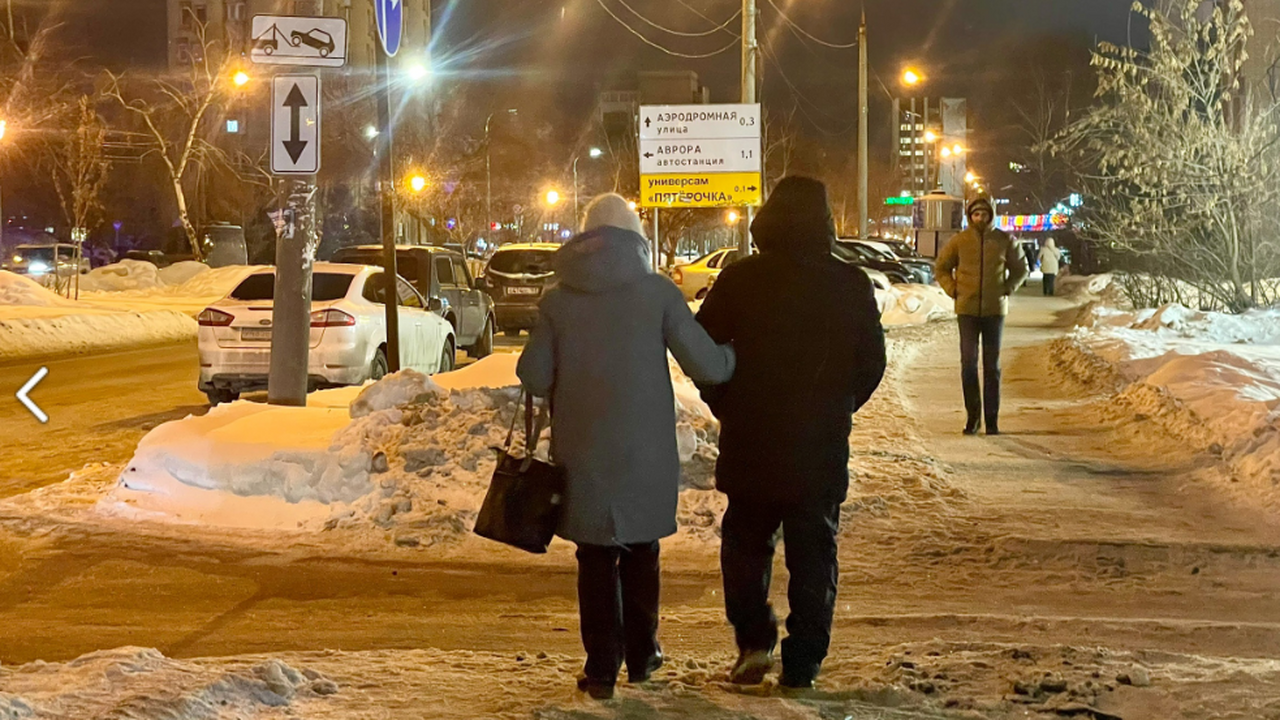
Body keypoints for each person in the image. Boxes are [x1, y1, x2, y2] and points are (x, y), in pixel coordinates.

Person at [516, 193, 735, 700]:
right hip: (646, 452)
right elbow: (708, 366)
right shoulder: (657, 293)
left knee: (594, 558)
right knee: (641, 549)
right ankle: (642, 655)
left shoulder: (557, 300)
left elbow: (532, 375)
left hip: (583, 452)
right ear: (636, 238)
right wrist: (737, 353)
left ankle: (600, 669)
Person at [695, 177, 887, 690]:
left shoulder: (740, 279)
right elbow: (871, 363)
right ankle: (803, 660)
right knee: (814, 550)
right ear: (825, 222)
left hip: (751, 438)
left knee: (745, 543)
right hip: (818, 444)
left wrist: (728, 404)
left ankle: (754, 641)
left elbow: (702, 352)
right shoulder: (849, 284)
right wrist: (837, 406)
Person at [935, 197, 1029, 436]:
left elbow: (1021, 269)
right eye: (976, 214)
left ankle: (992, 419)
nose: (980, 218)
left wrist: (1006, 288)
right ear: (970, 216)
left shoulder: (1004, 240)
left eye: (984, 214)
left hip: (994, 312)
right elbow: (941, 267)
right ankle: (973, 417)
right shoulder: (959, 241)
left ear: (991, 215)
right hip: (966, 310)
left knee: (992, 367)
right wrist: (953, 289)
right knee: (968, 364)